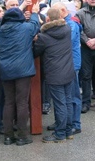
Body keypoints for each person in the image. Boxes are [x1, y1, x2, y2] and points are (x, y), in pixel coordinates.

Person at [0, 0, 40, 146]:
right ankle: (22, 136)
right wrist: (34, 13)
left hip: (6, 69)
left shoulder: (0, 30)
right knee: (21, 103)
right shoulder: (26, 28)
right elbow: (35, 25)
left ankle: (8, 136)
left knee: (9, 103)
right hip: (22, 70)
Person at [33, 8, 75, 143]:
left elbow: (35, 52)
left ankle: (60, 134)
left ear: (48, 19)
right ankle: (68, 130)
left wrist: (36, 38)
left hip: (54, 74)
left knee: (59, 104)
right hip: (68, 71)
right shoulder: (67, 29)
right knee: (67, 101)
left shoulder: (44, 37)